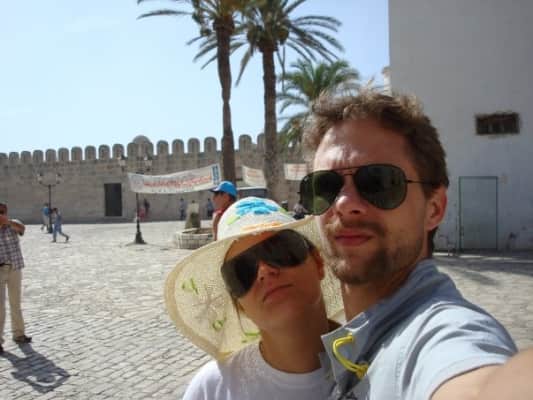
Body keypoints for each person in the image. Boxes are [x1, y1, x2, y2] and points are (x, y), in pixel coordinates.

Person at [299, 90, 531, 399]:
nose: (344, 203)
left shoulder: (442, 334)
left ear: (434, 208)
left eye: (379, 182)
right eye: (325, 186)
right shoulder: (351, 345)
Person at [165, 197, 343, 399]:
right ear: (238, 303)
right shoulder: (212, 389)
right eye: (242, 270)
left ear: (318, 262)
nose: (264, 271)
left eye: (279, 250)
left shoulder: (371, 360)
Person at [0, 200, 32, 354]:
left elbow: (21, 228)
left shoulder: (13, 224)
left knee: (15, 303)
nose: (1, 215)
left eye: (2, 212)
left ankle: (19, 334)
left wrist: (7, 222)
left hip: (15, 268)